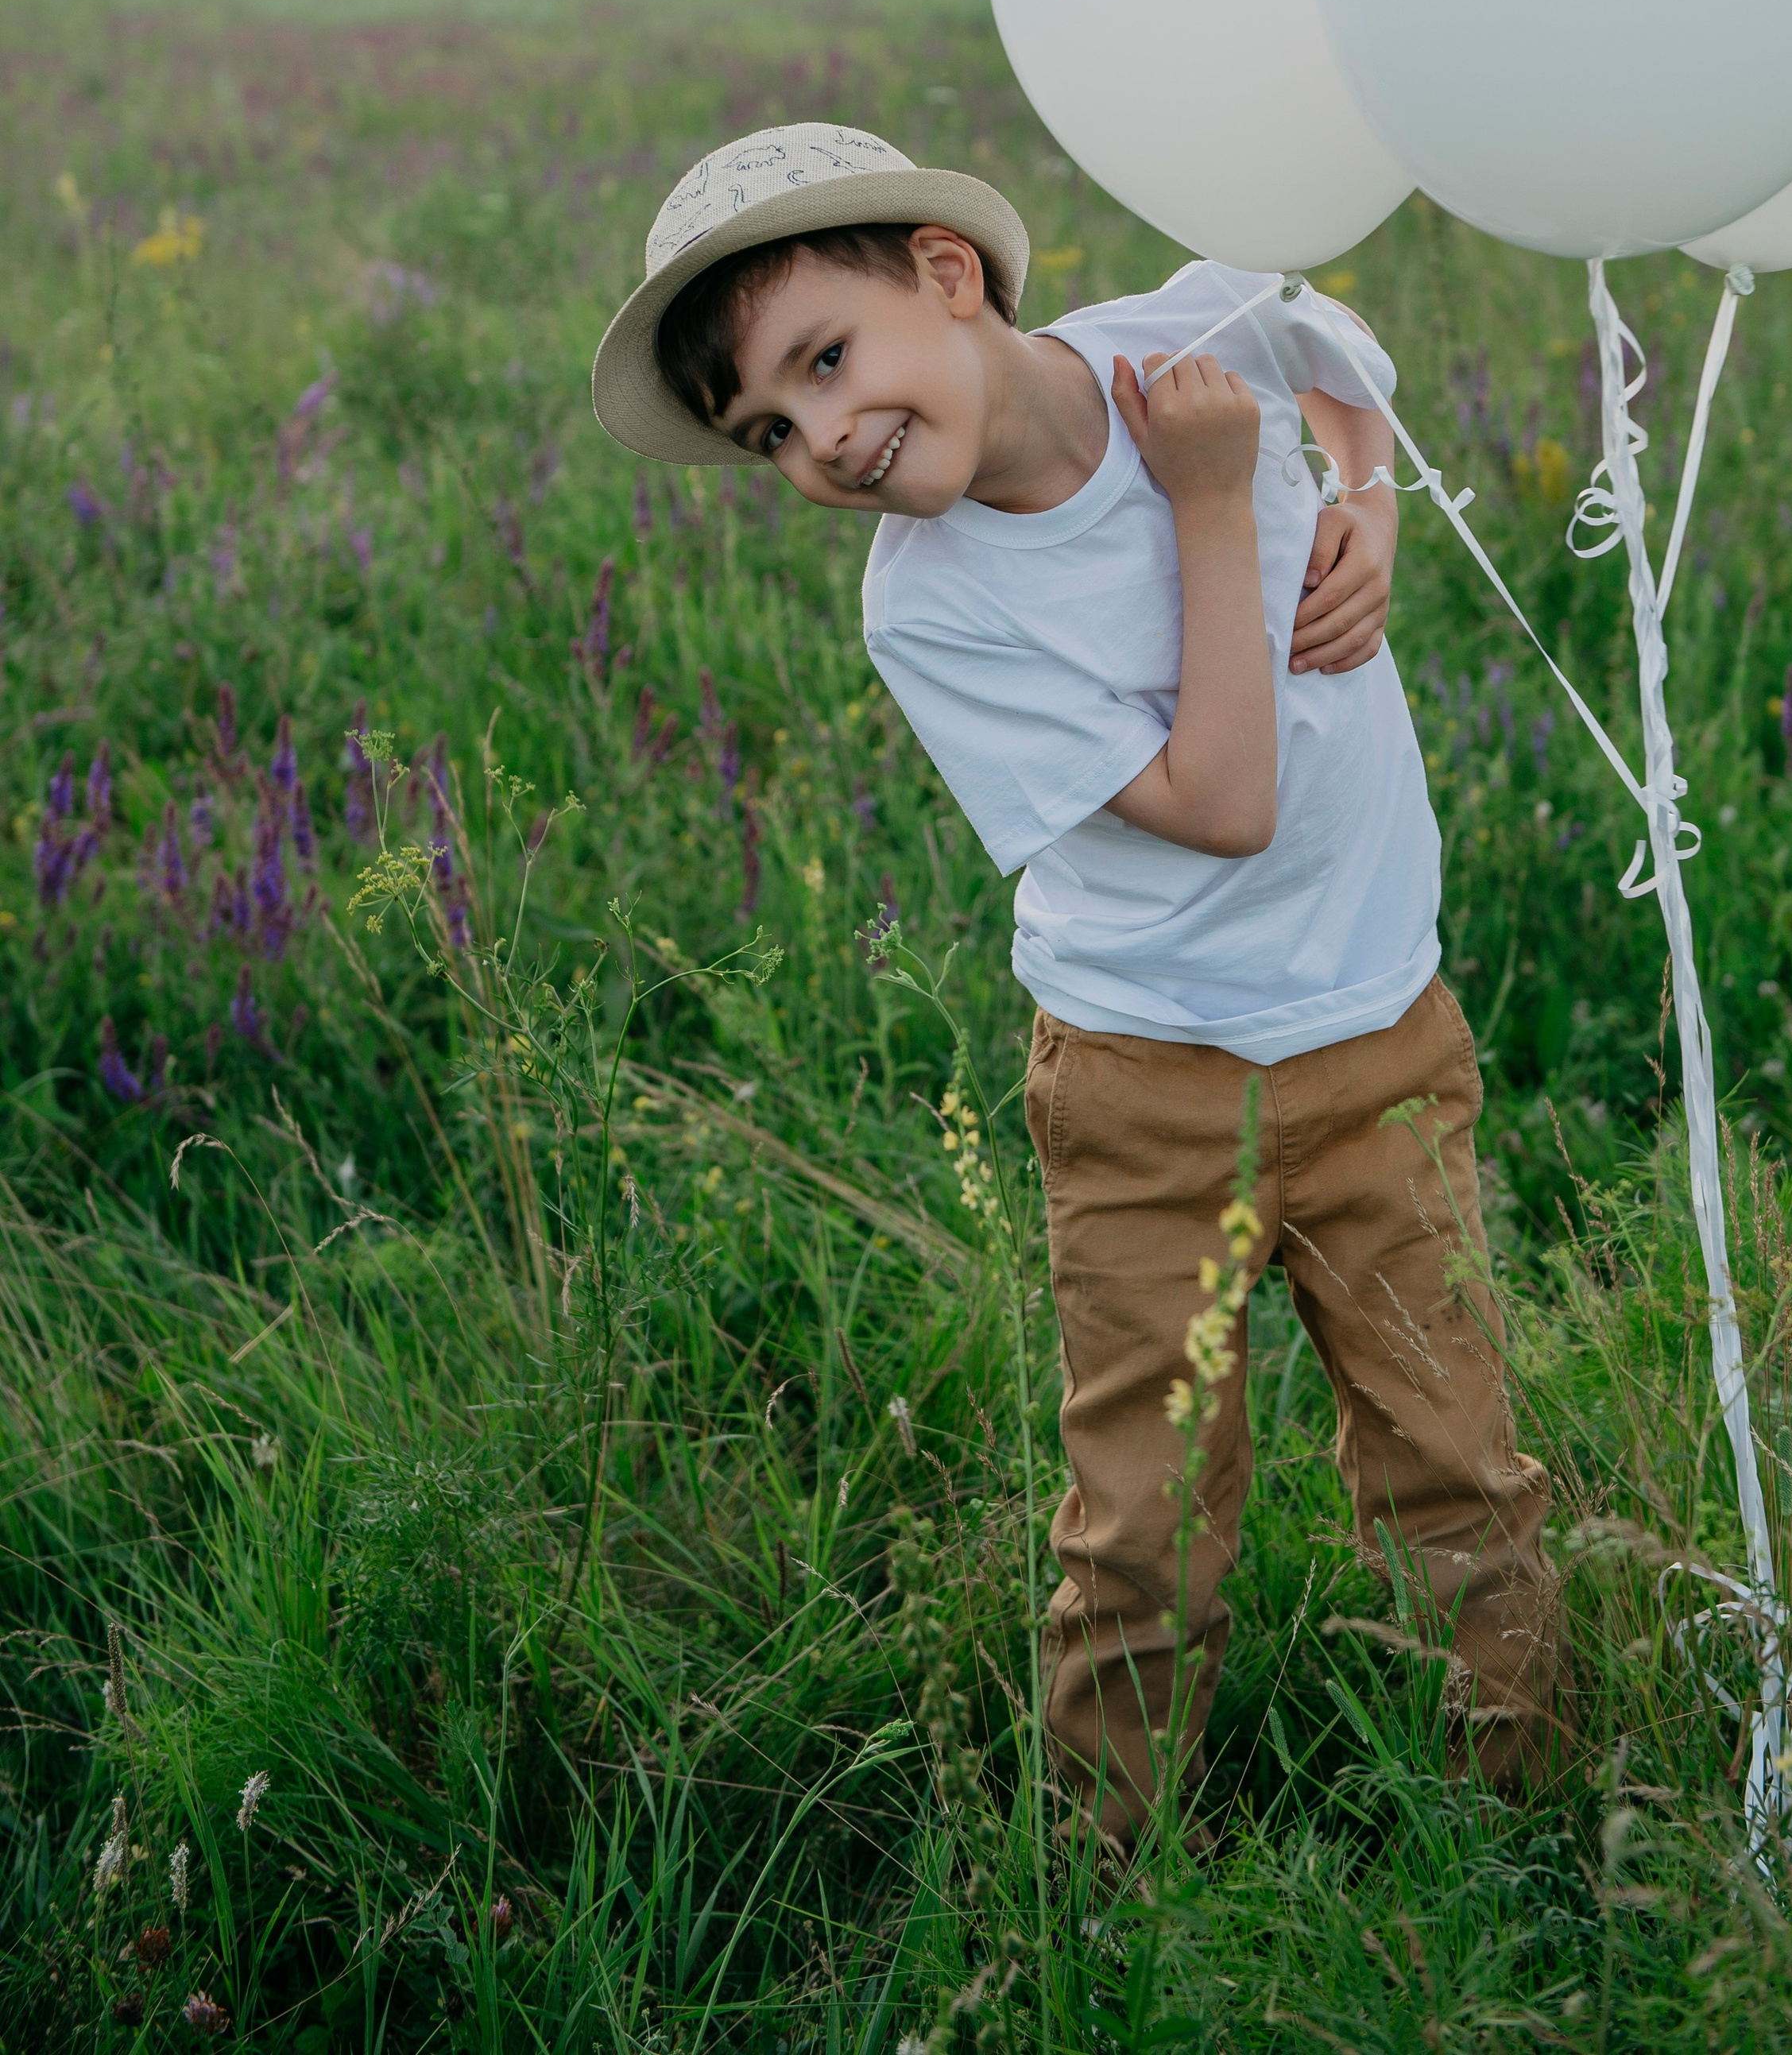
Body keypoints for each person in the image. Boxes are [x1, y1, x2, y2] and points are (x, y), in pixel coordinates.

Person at [593, 121, 1565, 1840]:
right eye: (772, 432)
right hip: (1148, 1095)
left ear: (946, 278)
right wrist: (1211, 501)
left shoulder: (1163, 349)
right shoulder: (933, 609)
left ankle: (1523, 1828)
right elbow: (1222, 805)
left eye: (825, 360)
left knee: (1457, 1470)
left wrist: (1363, 497)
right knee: (1141, 1521)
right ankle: (1111, 1880)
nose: (827, 438)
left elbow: (1338, 356)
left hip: (1378, 1037)